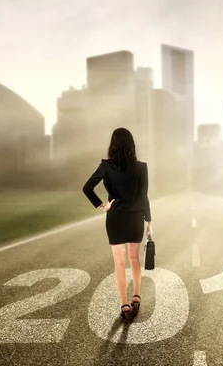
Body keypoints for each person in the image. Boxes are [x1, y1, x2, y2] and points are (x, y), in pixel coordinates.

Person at [82, 127, 153, 322]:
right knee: (135, 259)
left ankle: (124, 305)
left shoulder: (106, 166)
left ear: (112, 145)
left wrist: (102, 205)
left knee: (119, 263)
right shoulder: (141, 167)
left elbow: (87, 188)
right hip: (135, 218)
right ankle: (136, 296)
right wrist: (149, 220)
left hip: (115, 218)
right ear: (132, 144)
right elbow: (143, 196)